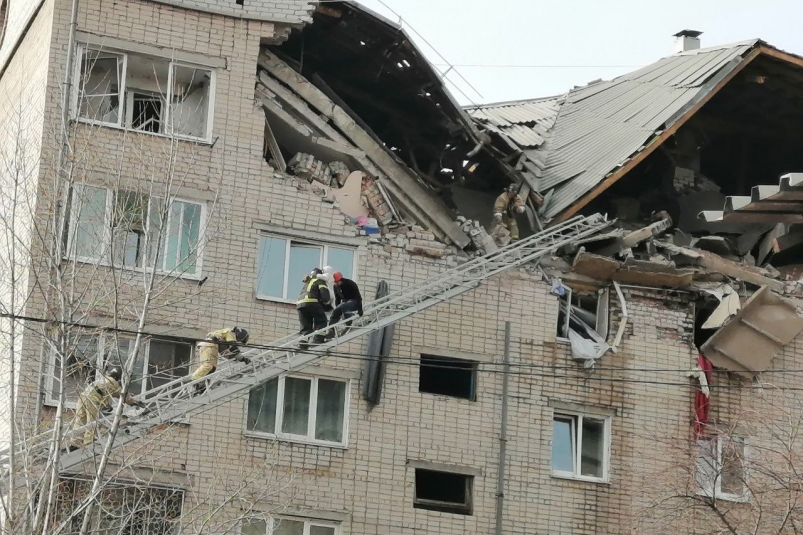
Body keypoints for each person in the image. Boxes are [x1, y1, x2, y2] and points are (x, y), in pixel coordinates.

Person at [72, 367, 143, 448]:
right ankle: (88, 443)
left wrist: (107, 405)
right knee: (92, 422)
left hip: (82, 397)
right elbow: (123, 396)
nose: (121, 382)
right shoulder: (113, 382)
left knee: (80, 420)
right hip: (91, 400)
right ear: (118, 377)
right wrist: (134, 402)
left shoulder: (104, 379)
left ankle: (75, 442)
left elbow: (104, 394)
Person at [191, 327, 250, 394]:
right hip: (209, 346)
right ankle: (195, 378)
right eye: (239, 340)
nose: (238, 341)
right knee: (208, 365)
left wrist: (234, 357)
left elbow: (225, 352)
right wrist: (243, 359)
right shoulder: (231, 333)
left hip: (211, 346)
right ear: (239, 335)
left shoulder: (222, 338)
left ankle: (202, 386)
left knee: (212, 368)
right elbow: (234, 348)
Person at [297, 268, 332, 345]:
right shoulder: (320, 281)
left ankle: (302, 342)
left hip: (300, 304)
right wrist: (327, 305)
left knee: (306, 325)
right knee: (321, 320)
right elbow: (325, 298)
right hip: (312, 302)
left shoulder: (307, 282)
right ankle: (318, 339)